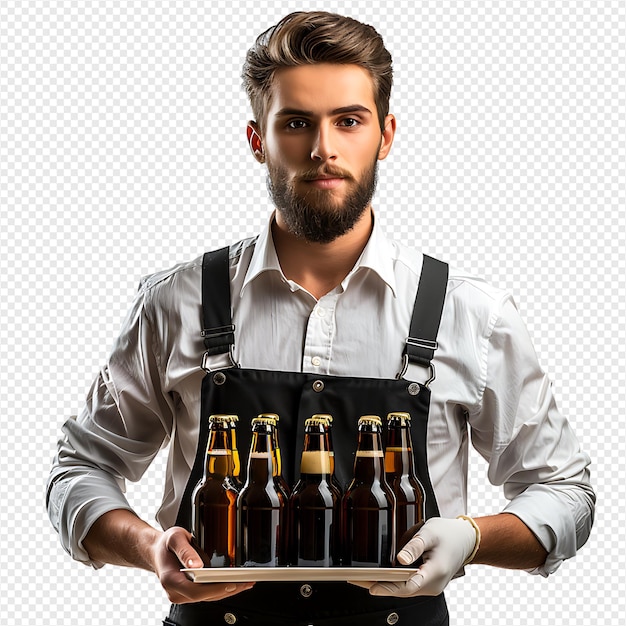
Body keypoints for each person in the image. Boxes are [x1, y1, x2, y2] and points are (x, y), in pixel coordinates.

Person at [47, 11, 595, 626]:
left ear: (385, 135)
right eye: (297, 122)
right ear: (258, 139)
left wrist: (471, 537)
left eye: (349, 121)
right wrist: (151, 549)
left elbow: (566, 494)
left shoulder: (472, 313)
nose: (322, 149)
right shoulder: (175, 302)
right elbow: (82, 468)